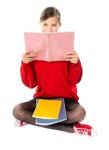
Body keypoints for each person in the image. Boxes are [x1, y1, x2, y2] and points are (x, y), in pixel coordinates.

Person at [13, 6, 94, 136]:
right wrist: (25, 64)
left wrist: (75, 63)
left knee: (80, 113)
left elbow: (75, 80)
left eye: (53, 25)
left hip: (67, 100)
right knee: (18, 110)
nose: (49, 29)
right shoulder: (33, 51)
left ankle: (32, 121)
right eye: (45, 24)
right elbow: (30, 84)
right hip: (42, 100)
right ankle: (71, 129)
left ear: (59, 25)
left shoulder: (68, 49)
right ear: (40, 24)